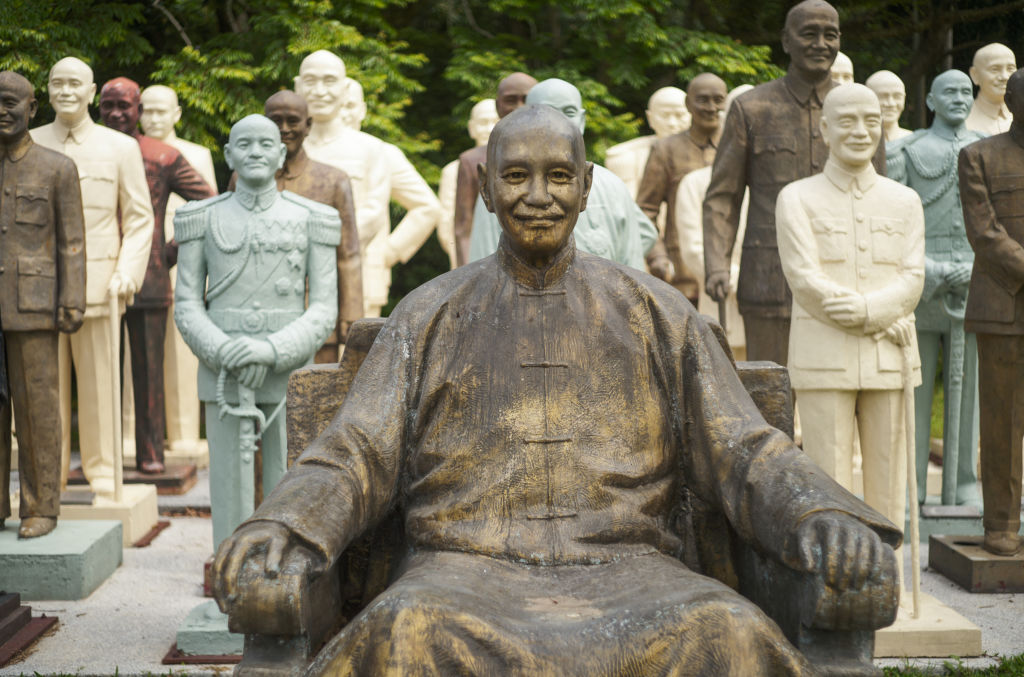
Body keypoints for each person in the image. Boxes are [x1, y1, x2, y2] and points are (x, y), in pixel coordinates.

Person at [212, 104, 900, 676]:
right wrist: (287, 521)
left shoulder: (657, 312)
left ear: (587, 184)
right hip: (459, 574)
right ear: (486, 189)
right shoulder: (428, 313)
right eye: (515, 176)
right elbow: (355, 451)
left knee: (726, 627)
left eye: (558, 176)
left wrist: (818, 513)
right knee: (405, 627)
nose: (538, 196)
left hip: (635, 569)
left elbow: (745, 448)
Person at [174, 115, 339, 548]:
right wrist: (224, 351)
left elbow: (324, 308)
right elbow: (187, 302)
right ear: (228, 155)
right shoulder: (201, 217)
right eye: (243, 144)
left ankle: (283, 571)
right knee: (229, 484)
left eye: (266, 144)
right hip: (223, 368)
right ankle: (228, 573)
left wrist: (271, 350)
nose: (255, 153)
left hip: (289, 369)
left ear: (282, 154)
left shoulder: (313, 218)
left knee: (290, 480)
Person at [777, 83, 925, 539]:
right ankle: (836, 574)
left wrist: (868, 309)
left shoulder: (904, 201)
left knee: (889, 484)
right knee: (829, 481)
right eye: (847, 121)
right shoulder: (797, 198)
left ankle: (885, 572)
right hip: (824, 359)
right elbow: (804, 279)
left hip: (890, 360)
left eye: (871, 121)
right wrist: (872, 314)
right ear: (824, 130)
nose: (861, 131)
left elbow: (912, 278)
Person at [703, 0, 886, 365]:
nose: (820, 43)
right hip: (770, 280)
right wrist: (717, 265)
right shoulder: (752, 108)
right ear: (786, 41)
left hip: (846, 279)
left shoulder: (860, 109)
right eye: (809, 34)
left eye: (830, 35)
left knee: (838, 388)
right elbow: (723, 197)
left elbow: (880, 196)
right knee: (771, 389)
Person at [31, 57, 154, 496]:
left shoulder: (119, 148)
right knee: (42, 389)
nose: (65, 91)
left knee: (101, 387)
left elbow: (139, 218)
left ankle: (103, 475)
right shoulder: (27, 143)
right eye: (57, 83)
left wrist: (128, 271)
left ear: (91, 91)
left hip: (101, 284)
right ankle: (47, 479)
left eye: (74, 84)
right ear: (47, 90)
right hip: (38, 286)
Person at [98, 76, 216, 474]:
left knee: (149, 371)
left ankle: (151, 454)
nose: (117, 114)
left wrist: (170, 251)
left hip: (148, 277)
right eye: (108, 106)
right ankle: (103, 458)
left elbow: (208, 202)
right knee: (98, 372)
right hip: (93, 275)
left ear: (139, 111)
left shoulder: (161, 155)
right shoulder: (91, 151)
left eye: (125, 106)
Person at [888, 70, 985, 507]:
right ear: (929, 99)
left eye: (966, 91)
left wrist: (979, 267)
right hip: (920, 280)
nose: (959, 98)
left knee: (971, 392)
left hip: (977, 278)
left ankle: (964, 480)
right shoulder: (906, 152)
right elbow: (892, 224)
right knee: (915, 385)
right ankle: (911, 484)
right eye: (949, 91)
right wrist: (930, 270)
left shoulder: (988, 148)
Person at [0, 71, 86, 538]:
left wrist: (72, 298)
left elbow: (72, 241)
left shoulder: (56, 168)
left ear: (32, 108)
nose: (2, 111)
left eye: (11, 102)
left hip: (33, 305)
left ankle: (42, 507)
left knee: (38, 410)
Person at [227, 90, 363, 361]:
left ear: (308, 125)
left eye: (293, 121)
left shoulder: (333, 180)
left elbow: (348, 253)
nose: (285, 129)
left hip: (316, 316)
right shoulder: (241, 178)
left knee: (317, 386)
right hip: (255, 315)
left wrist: (352, 313)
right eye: (276, 121)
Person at [468, 78, 658, 270]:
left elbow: (638, 245)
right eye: (547, 111)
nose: (558, 122)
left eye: (569, 112)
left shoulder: (611, 185)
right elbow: (482, 264)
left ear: (582, 120)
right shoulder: (502, 185)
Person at [959, 67, 1024, 555]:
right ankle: (1001, 524)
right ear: (1012, 103)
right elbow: (984, 232)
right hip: (1003, 305)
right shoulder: (978, 156)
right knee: (1002, 420)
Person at [139, 84, 218, 460]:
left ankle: (185, 433)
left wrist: (177, 249)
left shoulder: (196, 154)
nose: (154, 118)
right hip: (140, 261)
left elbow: (210, 208)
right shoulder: (128, 150)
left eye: (161, 111)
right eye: (147, 110)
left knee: (183, 351)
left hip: (185, 259)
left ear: (177, 113)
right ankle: (133, 433)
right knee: (137, 351)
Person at [335, 77, 441, 316]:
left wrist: (389, 252)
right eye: (338, 105)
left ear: (362, 110)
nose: (343, 114)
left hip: (365, 275)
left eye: (350, 106)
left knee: (358, 338)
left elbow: (427, 206)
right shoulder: (306, 151)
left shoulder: (382, 152)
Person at [636, 74, 727, 300]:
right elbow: (645, 211)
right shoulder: (666, 150)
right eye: (703, 100)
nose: (711, 108)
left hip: (731, 272)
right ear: (688, 104)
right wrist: (658, 257)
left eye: (718, 100)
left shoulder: (736, 147)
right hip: (682, 279)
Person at [452, 73, 537, 267]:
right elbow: (463, 229)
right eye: (510, 100)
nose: (519, 107)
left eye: (526, 99)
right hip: (489, 264)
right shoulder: (473, 161)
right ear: (498, 106)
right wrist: (469, 276)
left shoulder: (557, 156)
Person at [438, 99, 498, 269]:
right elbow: (448, 224)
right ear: (471, 128)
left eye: (495, 122)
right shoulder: (453, 170)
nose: (489, 128)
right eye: (483, 123)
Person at [605, 86, 690, 198]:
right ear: (650, 118)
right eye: (665, 115)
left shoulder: (708, 153)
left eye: (680, 115)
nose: (672, 123)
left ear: (691, 116)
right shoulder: (626, 157)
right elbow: (627, 204)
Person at [965, 43, 1017, 135]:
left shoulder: (1020, 116)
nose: (1005, 76)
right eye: (995, 69)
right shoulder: (963, 120)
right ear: (975, 75)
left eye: (1010, 69)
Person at [865, 70, 913, 142]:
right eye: (882, 96)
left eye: (897, 96)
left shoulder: (914, 141)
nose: (891, 103)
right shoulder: (857, 141)